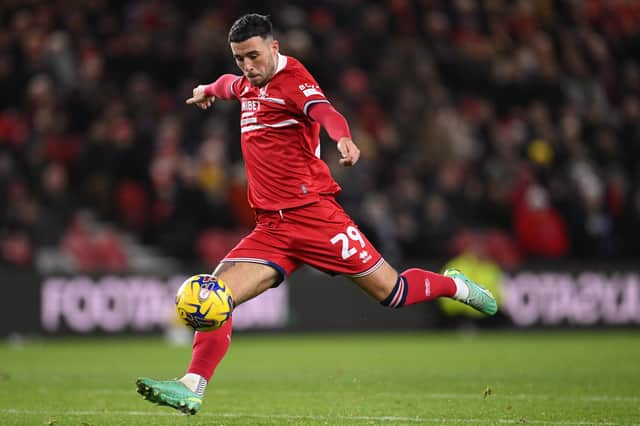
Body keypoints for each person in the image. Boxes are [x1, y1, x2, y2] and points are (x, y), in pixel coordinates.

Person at [136, 13, 497, 415]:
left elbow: (325, 112)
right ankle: (192, 386)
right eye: (240, 59)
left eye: (254, 56)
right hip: (271, 227)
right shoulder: (248, 82)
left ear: (275, 47)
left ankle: (454, 286)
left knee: (392, 293)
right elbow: (229, 85)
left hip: (316, 217)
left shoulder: (293, 80)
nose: (248, 67)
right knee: (213, 298)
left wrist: (343, 137)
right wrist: (207, 88)